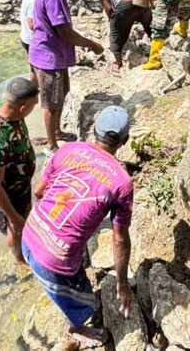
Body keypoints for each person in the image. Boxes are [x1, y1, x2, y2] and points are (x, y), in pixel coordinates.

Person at [22, 105, 135, 347]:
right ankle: (76, 327)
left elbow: (39, 191)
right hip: (54, 261)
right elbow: (119, 238)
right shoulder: (122, 182)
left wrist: (52, 226)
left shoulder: (69, 149)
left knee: (71, 272)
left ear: (94, 130)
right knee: (86, 304)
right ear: (124, 141)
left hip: (28, 234)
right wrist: (122, 283)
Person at [29, 0, 104, 155]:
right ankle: (51, 145)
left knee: (61, 95)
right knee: (52, 104)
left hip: (53, 54)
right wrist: (92, 45)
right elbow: (65, 32)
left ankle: (57, 132)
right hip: (49, 57)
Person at [0, 77, 39, 266]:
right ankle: (20, 259)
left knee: (25, 218)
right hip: (7, 192)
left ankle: (27, 242)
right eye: (33, 105)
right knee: (16, 229)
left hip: (19, 184)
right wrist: (13, 218)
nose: (34, 108)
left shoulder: (2, 107)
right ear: (23, 107)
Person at [86, 0, 152, 73]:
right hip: (141, 0)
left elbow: (107, 6)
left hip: (126, 3)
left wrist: (111, 19)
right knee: (150, 28)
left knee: (115, 34)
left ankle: (118, 63)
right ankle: (159, 51)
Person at [20, 0, 42, 85]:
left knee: (34, 66)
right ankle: (33, 88)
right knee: (36, 67)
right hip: (31, 40)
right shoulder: (32, 1)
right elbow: (31, 24)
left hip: (24, 37)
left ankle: (33, 88)